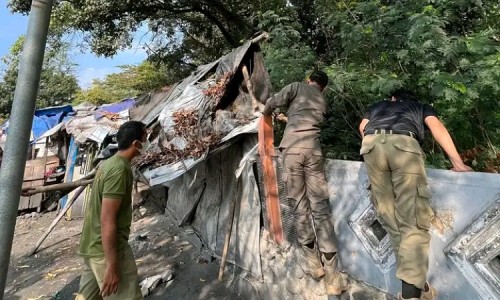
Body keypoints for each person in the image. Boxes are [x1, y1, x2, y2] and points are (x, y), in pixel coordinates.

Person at [359, 89, 472, 300]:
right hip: (404, 147)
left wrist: (376, 148)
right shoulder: (419, 107)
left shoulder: (378, 105)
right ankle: (411, 295)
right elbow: (436, 126)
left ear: (393, 99)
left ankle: (419, 288)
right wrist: (458, 162)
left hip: (371, 146)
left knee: (390, 219)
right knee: (413, 222)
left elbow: (362, 127)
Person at [263, 70, 348, 296]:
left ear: (308, 80)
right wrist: (288, 117)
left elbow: (271, 104)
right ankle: (333, 277)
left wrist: (267, 110)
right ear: (324, 87)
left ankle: (313, 265)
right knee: (320, 209)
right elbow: (303, 119)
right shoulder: (322, 100)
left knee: (299, 206)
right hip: (313, 151)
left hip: (292, 152)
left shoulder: (295, 87)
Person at [76, 121, 150, 300]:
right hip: (106, 250)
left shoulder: (108, 164)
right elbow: (107, 220)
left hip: (93, 246)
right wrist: (112, 265)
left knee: (87, 297)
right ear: (136, 144)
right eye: (146, 138)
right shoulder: (118, 169)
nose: (148, 142)